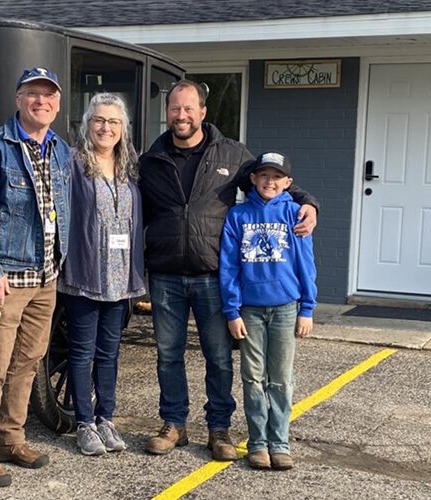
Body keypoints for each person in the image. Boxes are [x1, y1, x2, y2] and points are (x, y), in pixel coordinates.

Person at [139, 80, 318, 461]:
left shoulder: (233, 154)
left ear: (203, 112)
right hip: (166, 275)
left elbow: (275, 183)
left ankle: (218, 429)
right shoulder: (151, 159)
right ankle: (174, 424)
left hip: (210, 274)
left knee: (218, 356)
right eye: (175, 108)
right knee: (168, 354)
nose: (181, 115)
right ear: (167, 112)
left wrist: (309, 204)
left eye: (189, 108)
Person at [0, 67, 71, 488]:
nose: (42, 101)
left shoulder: (61, 149)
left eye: (49, 95)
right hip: (6, 278)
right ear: (18, 99)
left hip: (46, 278)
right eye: (32, 94)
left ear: (57, 104)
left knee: (27, 364)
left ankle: (12, 438)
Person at [58, 92, 146, 455]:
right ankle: (84, 423)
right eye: (99, 120)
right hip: (85, 273)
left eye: (113, 122)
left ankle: (105, 419)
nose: (106, 127)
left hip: (120, 276)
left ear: (122, 128)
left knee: (109, 352)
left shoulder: (129, 167)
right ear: (87, 124)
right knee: (81, 353)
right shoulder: (73, 164)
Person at [219, 151, 316, 470]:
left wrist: (307, 307)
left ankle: (280, 442)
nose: (269, 181)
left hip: (286, 308)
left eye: (276, 176)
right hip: (249, 310)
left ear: (288, 182)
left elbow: (305, 263)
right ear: (253, 179)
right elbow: (229, 266)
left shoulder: (295, 214)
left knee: (281, 378)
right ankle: (257, 443)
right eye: (263, 175)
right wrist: (232, 311)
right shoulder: (238, 216)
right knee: (253, 376)